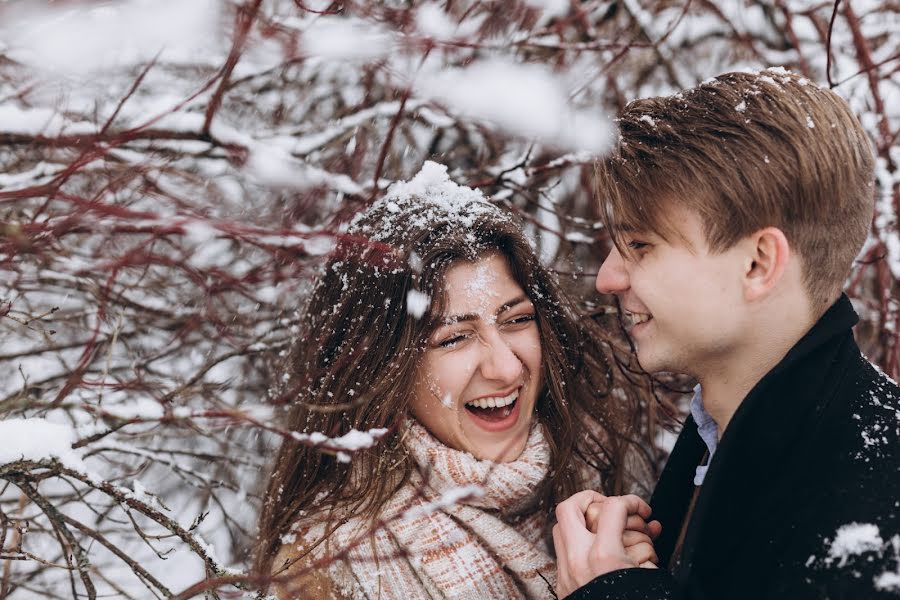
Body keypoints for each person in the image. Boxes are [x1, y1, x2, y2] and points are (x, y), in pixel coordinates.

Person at [553, 68, 900, 599]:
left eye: (640, 244)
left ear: (759, 263)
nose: (607, 277)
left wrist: (614, 593)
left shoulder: (871, 515)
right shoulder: (729, 429)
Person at [254, 161, 660, 599]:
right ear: (384, 367)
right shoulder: (331, 571)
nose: (505, 368)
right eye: (454, 339)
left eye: (518, 319)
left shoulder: (606, 469)